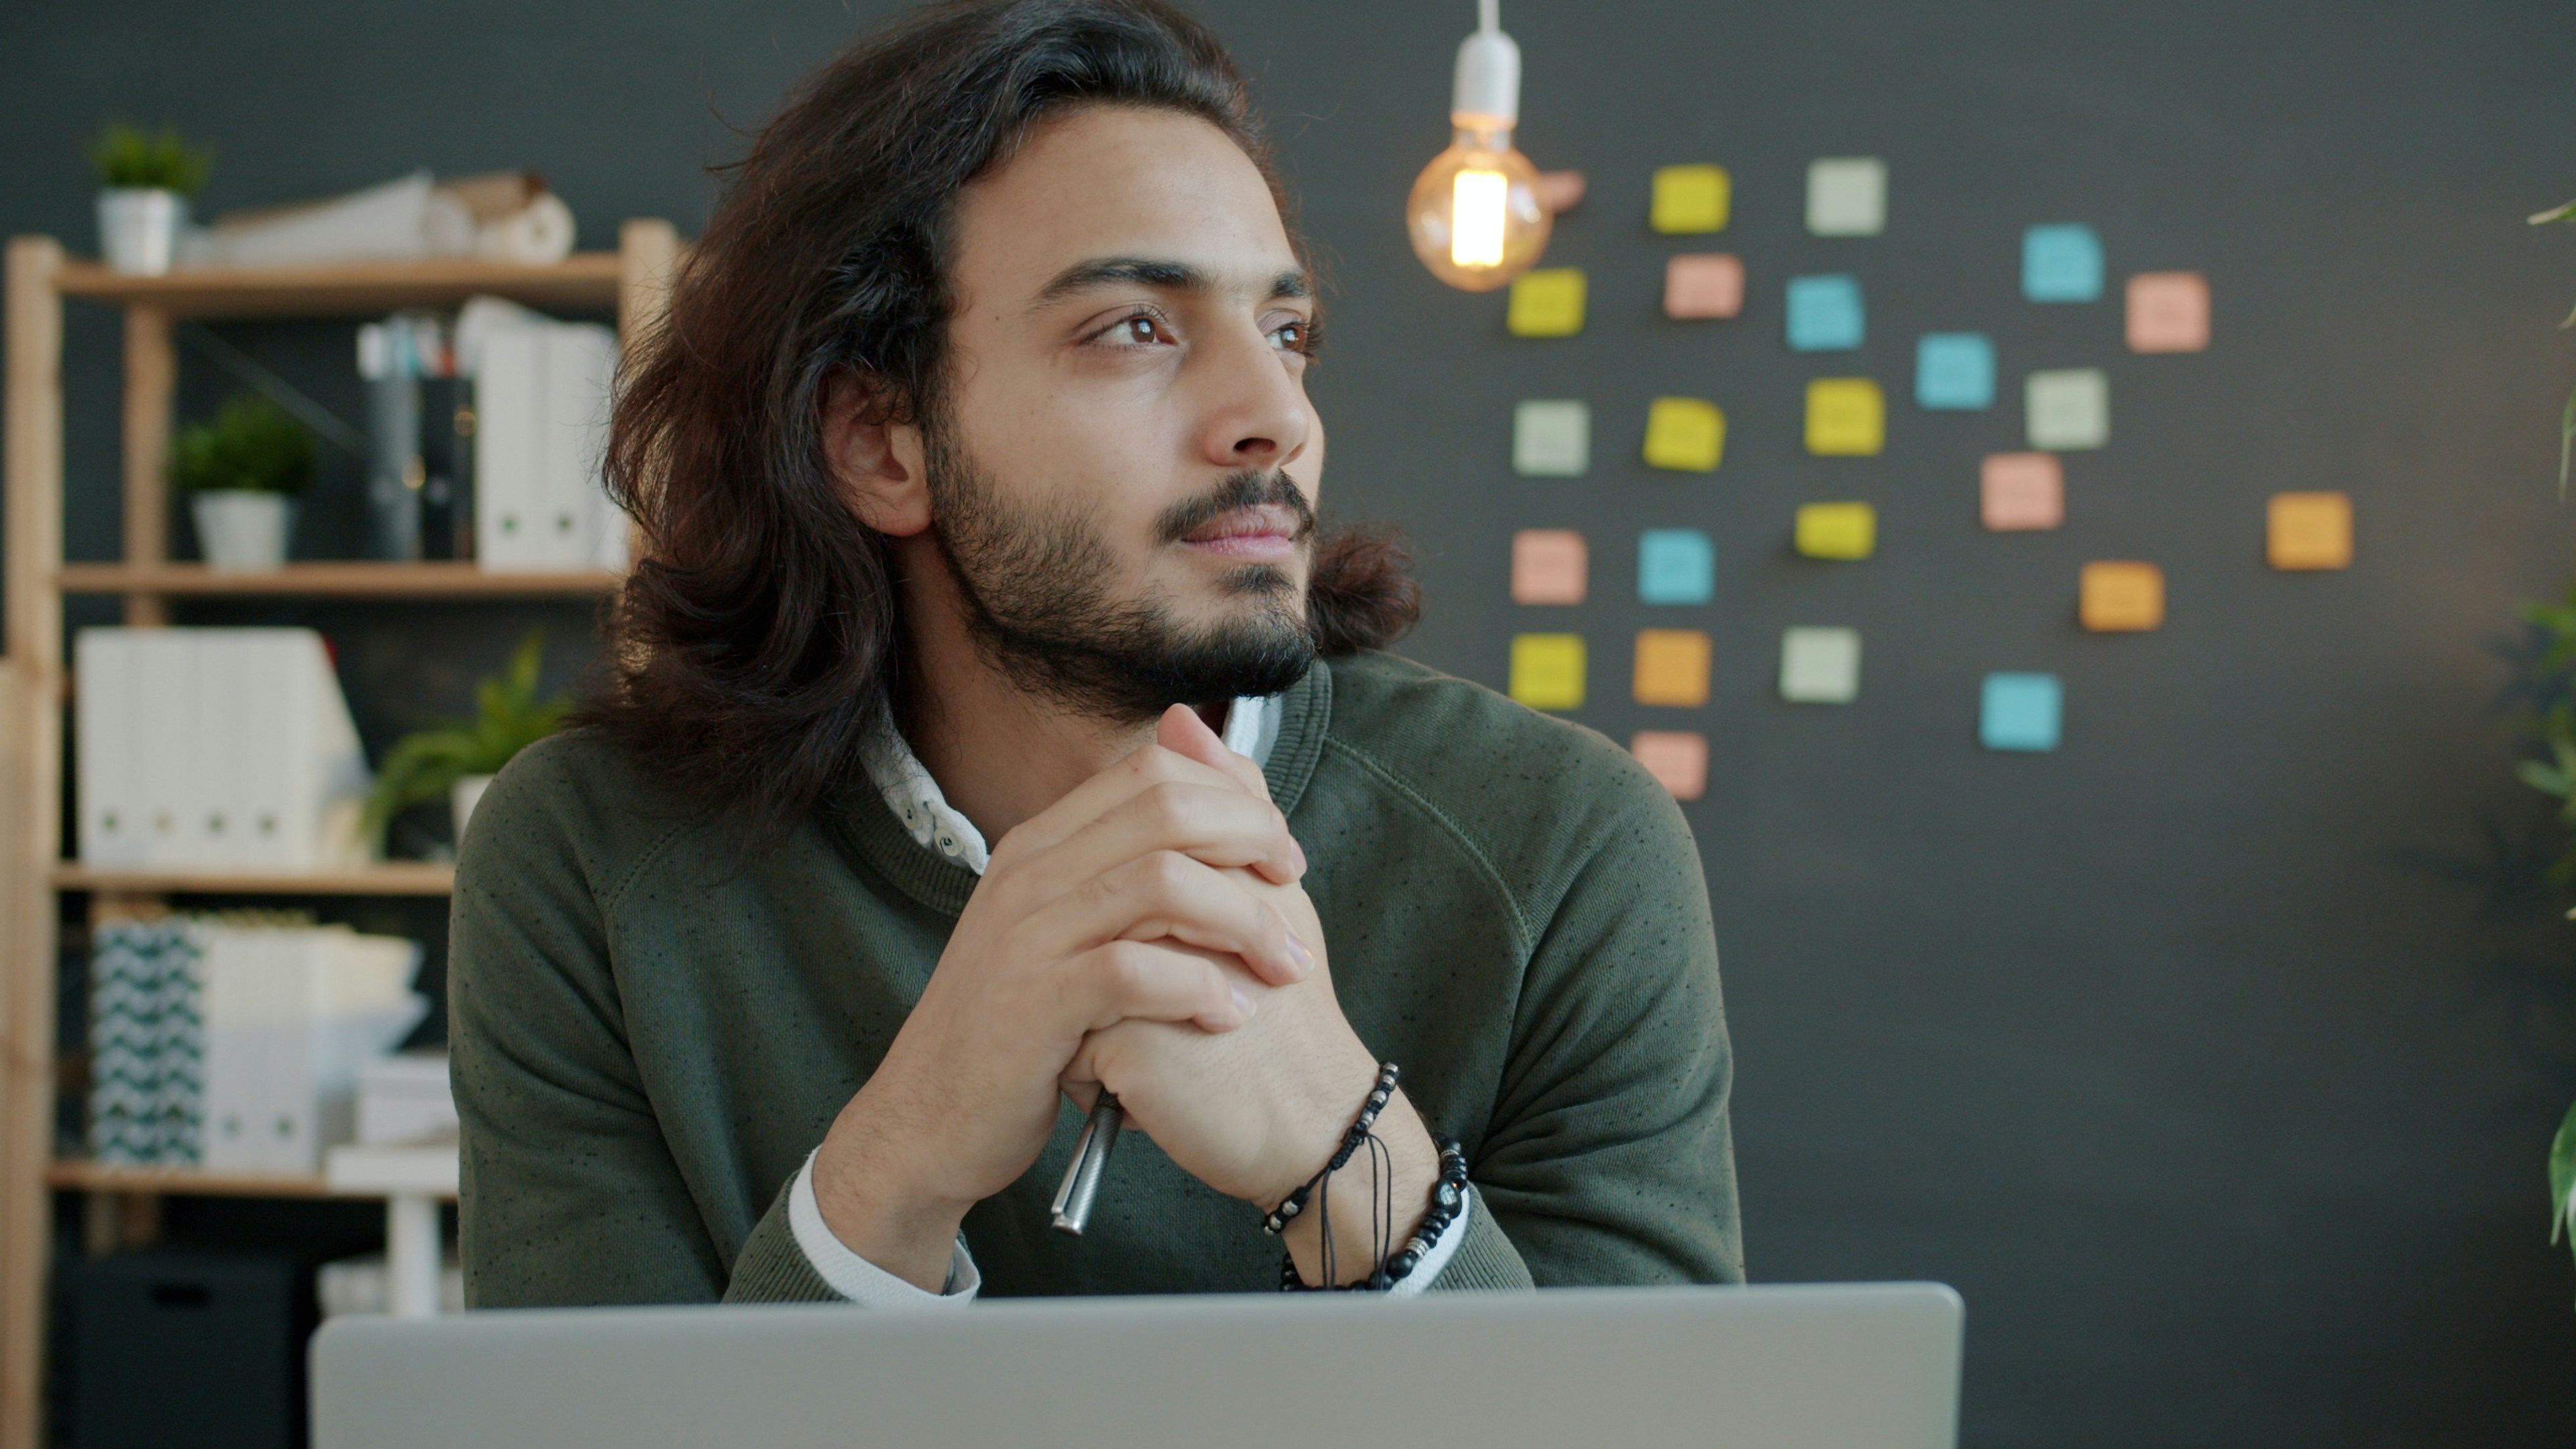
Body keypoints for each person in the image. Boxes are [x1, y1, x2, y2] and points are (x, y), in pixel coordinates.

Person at [451, 0, 1739, 1304]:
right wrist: (893, 1164)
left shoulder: (1566, 848)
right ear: (880, 442)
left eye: (1286, 334)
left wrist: (1349, 1155)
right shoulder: (588, 870)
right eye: (1136, 326)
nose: (1276, 417)